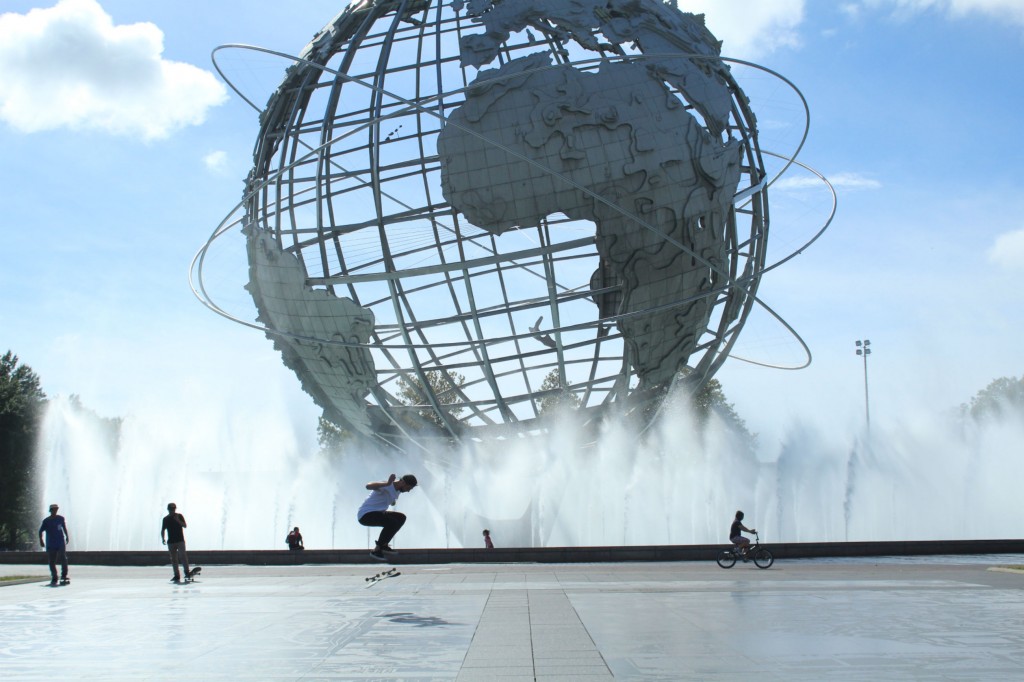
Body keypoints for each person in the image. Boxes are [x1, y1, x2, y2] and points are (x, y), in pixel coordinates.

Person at [357, 473, 417, 560]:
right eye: (408, 488)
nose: (408, 491)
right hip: (366, 515)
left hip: (378, 513)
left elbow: (389, 498)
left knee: (401, 517)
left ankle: (384, 545)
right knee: (391, 522)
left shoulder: (398, 491)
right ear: (403, 483)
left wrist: (392, 502)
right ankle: (377, 550)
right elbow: (368, 486)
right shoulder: (387, 485)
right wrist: (387, 483)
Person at [39, 503, 70, 585]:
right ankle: (54, 577)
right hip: (51, 543)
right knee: (52, 561)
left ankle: (64, 575)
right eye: (54, 509)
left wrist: (67, 536)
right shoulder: (46, 521)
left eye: (57, 509)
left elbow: (64, 528)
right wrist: (41, 541)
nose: (55, 510)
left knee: (63, 557)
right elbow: (40, 531)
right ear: (51, 510)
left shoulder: (61, 518)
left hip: (60, 541)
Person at [161, 503, 192, 582]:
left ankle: (187, 572)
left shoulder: (179, 516)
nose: (173, 510)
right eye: (171, 509)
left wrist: (178, 520)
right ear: (168, 509)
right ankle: (176, 575)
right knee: (174, 559)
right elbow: (163, 529)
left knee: (183, 556)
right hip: (171, 542)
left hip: (180, 541)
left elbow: (185, 525)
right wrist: (163, 538)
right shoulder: (166, 519)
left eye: (174, 509)